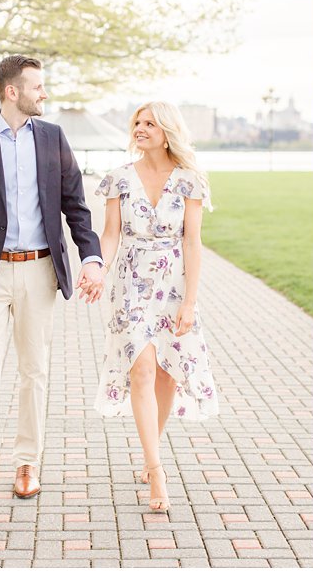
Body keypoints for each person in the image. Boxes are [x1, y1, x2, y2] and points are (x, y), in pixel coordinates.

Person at [0, 55, 105, 521]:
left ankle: (27, 464)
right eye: (37, 86)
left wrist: (91, 258)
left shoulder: (53, 138)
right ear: (12, 91)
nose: (44, 94)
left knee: (34, 372)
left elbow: (76, 205)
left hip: (39, 271)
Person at [93, 101, 220, 513]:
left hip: (173, 287)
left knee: (166, 374)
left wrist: (190, 302)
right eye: (137, 123)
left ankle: (152, 451)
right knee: (142, 369)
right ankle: (156, 469)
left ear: (167, 131)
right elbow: (110, 235)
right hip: (129, 286)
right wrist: (98, 268)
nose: (141, 128)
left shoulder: (190, 182)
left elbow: (192, 242)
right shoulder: (118, 180)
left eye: (149, 123)